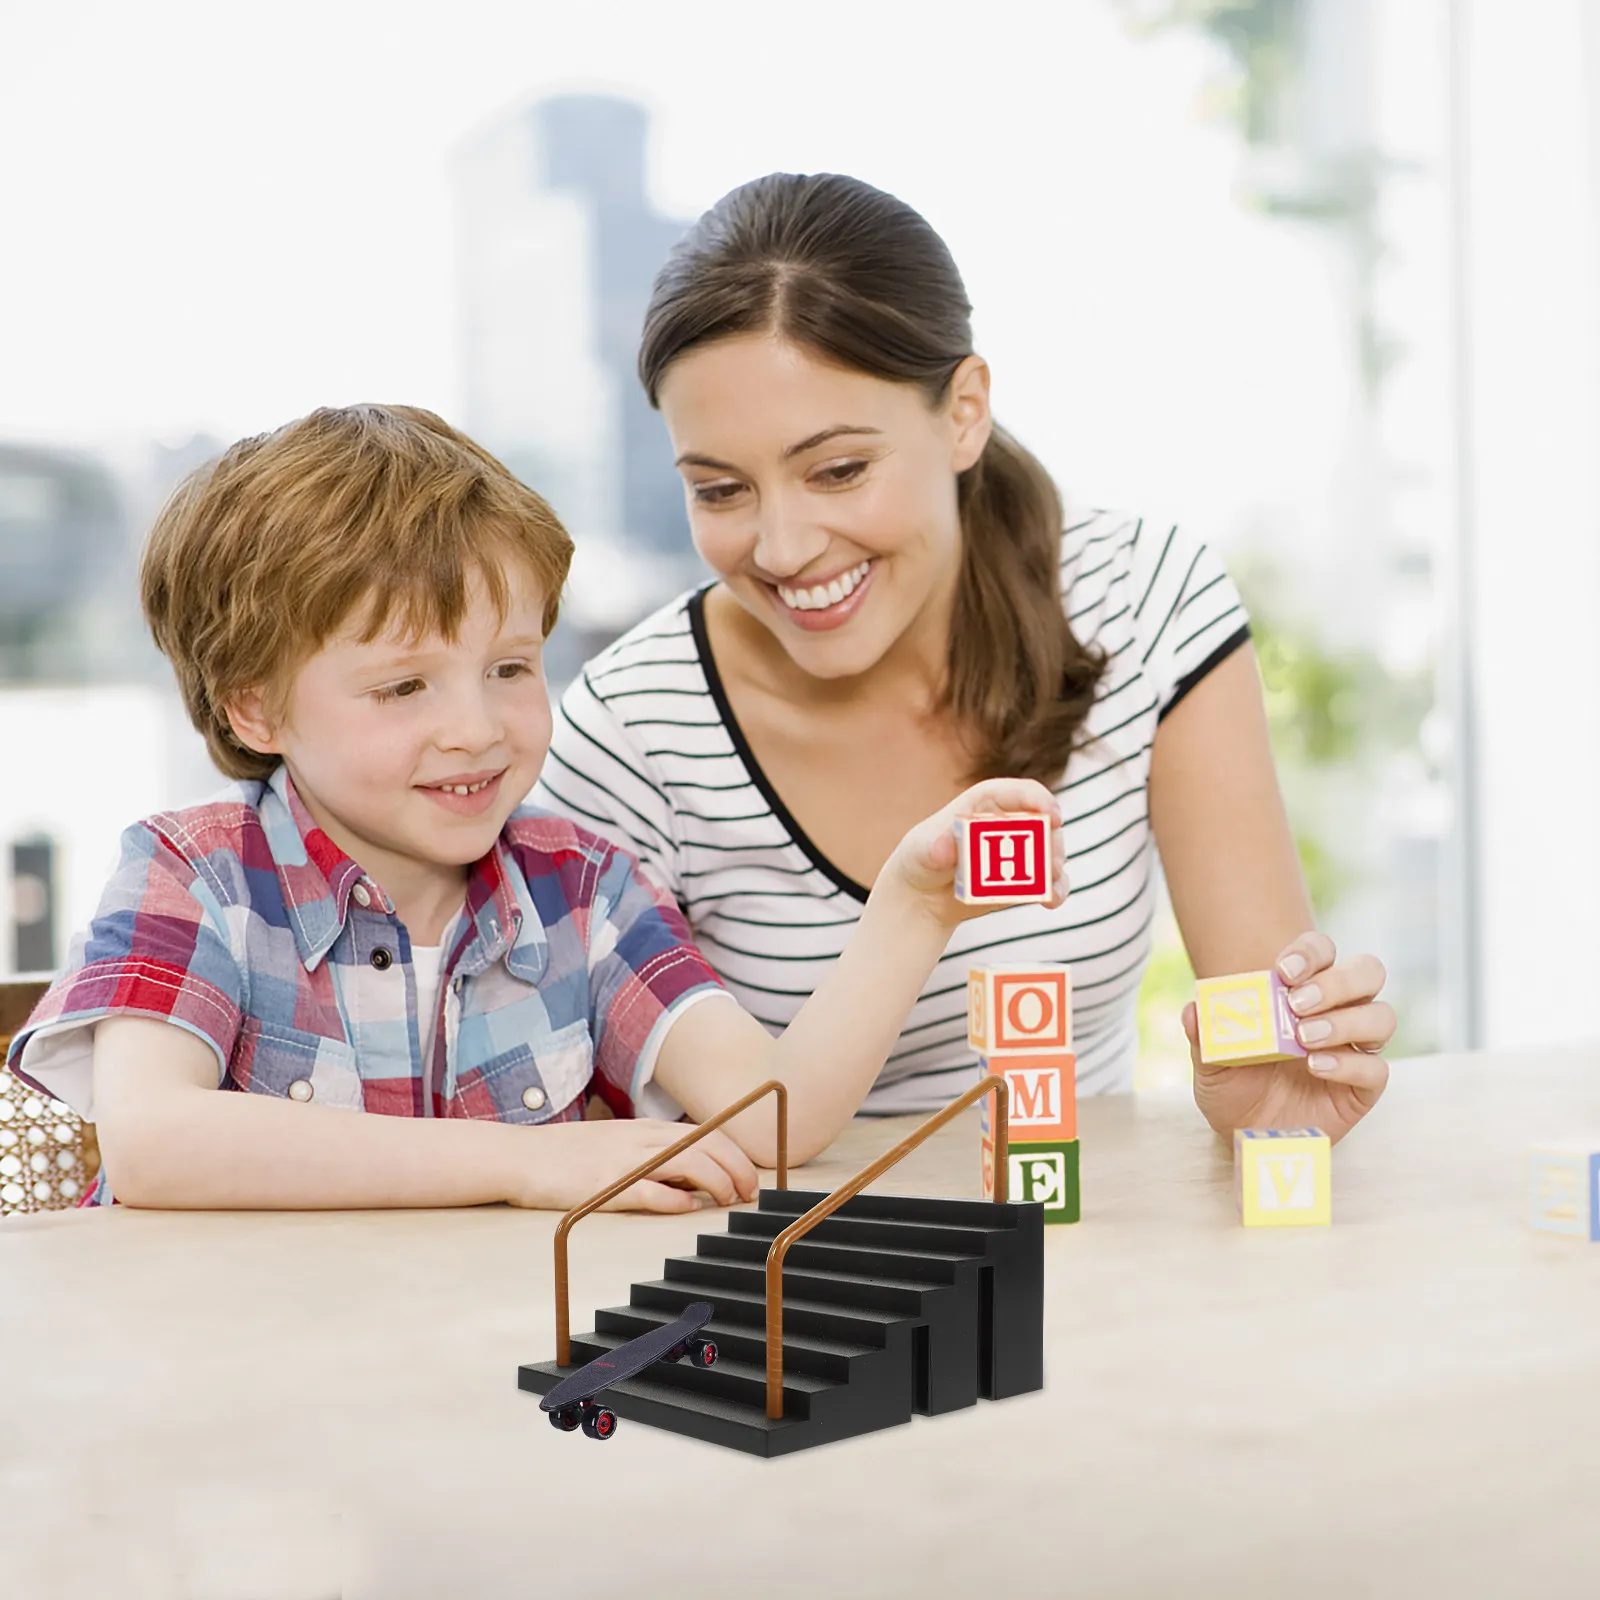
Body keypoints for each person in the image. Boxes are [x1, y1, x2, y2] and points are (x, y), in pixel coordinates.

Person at [3, 404, 1064, 1211]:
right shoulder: (194, 873)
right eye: (404, 687)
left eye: (511, 666)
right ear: (255, 705)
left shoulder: (583, 889)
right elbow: (153, 1143)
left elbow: (773, 1121)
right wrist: (526, 1160)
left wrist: (913, 906)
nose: (478, 726)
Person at [533, 172, 1396, 1145]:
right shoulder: (628, 732)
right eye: (721, 489)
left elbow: (1267, 1037)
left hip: (1081, 1240)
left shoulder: (1144, 600)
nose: (780, 548)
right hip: (777, 1270)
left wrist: (1265, 1098)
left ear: (963, 412)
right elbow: (609, 1136)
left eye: (838, 470)